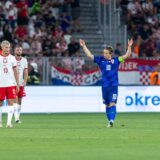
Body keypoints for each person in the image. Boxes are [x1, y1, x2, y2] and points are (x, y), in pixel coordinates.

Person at [79, 38, 133, 127]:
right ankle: (110, 122)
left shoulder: (116, 60)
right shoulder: (100, 60)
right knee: (107, 105)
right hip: (104, 86)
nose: (104, 54)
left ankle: (112, 120)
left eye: (106, 53)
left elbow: (126, 55)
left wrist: (129, 46)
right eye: (104, 53)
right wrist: (84, 46)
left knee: (112, 103)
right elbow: (89, 55)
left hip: (113, 85)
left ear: (110, 54)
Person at [0, 40, 19, 128]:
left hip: (10, 84)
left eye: (9, 47)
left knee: (11, 102)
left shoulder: (12, 58)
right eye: (6, 47)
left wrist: (17, 84)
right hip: (0, 84)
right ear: (2, 47)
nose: (8, 49)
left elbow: (15, 71)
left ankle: (8, 123)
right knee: (0, 103)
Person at [13, 46, 28, 123]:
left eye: (20, 50)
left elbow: (25, 72)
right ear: (14, 51)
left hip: (21, 83)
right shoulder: (11, 59)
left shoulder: (24, 60)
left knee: (20, 101)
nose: (19, 51)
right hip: (13, 83)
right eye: (17, 49)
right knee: (15, 100)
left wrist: (25, 81)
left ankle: (17, 116)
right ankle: (16, 118)